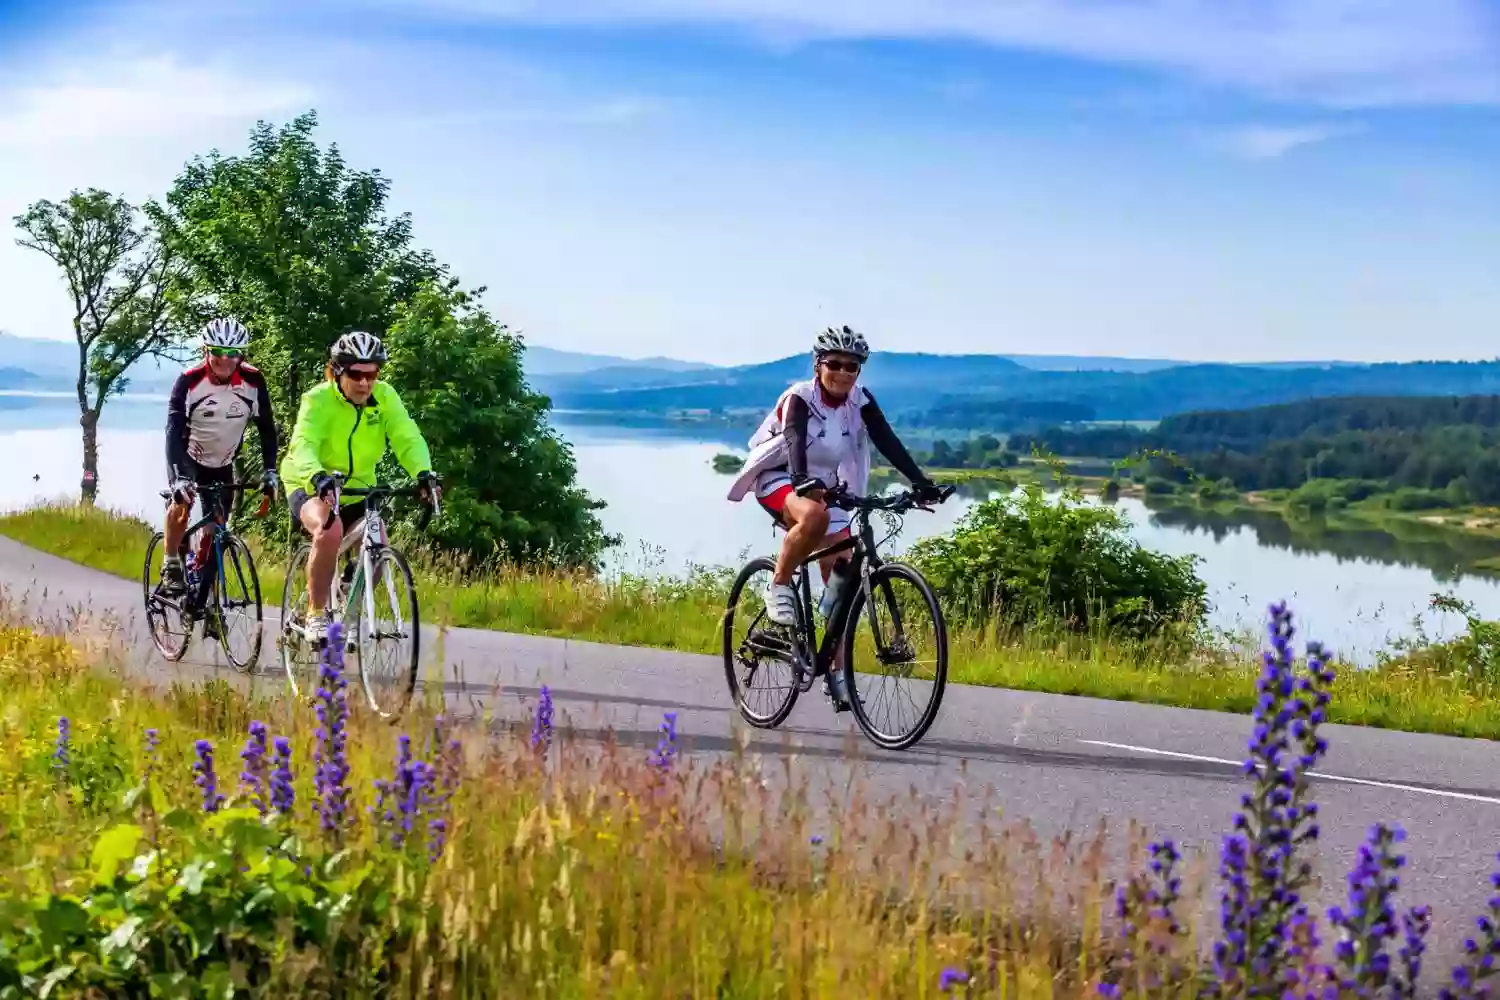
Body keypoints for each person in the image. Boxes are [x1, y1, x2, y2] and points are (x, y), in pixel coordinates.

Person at [726, 324, 943, 709]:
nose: (843, 373)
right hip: (779, 476)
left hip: (828, 485)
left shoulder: (860, 401)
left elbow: (887, 440)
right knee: (813, 518)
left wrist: (921, 482)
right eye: (836, 364)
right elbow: (793, 439)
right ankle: (778, 585)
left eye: (853, 367)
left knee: (841, 584)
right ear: (818, 365)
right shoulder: (800, 397)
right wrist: (800, 483)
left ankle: (835, 670)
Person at [279, 330, 441, 644]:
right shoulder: (318, 400)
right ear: (337, 371)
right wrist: (317, 476)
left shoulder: (385, 397)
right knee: (330, 528)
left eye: (372, 374)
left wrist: (423, 473)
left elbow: (406, 437)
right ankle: (315, 613)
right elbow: (303, 443)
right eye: (356, 374)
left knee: (378, 540)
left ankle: (346, 599)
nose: (366, 383)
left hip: (359, 486)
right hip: (308, 481)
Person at [160, 317, 279, 599]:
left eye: (233, 354)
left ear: (242, 355)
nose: (225, 360)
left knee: (217, 530)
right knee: (182, 502)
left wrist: (270, 471)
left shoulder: (253, 380)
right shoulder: (189, 381)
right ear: (206, 351)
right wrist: (179, 477)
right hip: (188, 457)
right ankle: (171, 562)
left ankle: (205, 594)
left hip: (223, 463)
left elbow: (266, 428)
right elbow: (173, 430)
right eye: (218, 353)